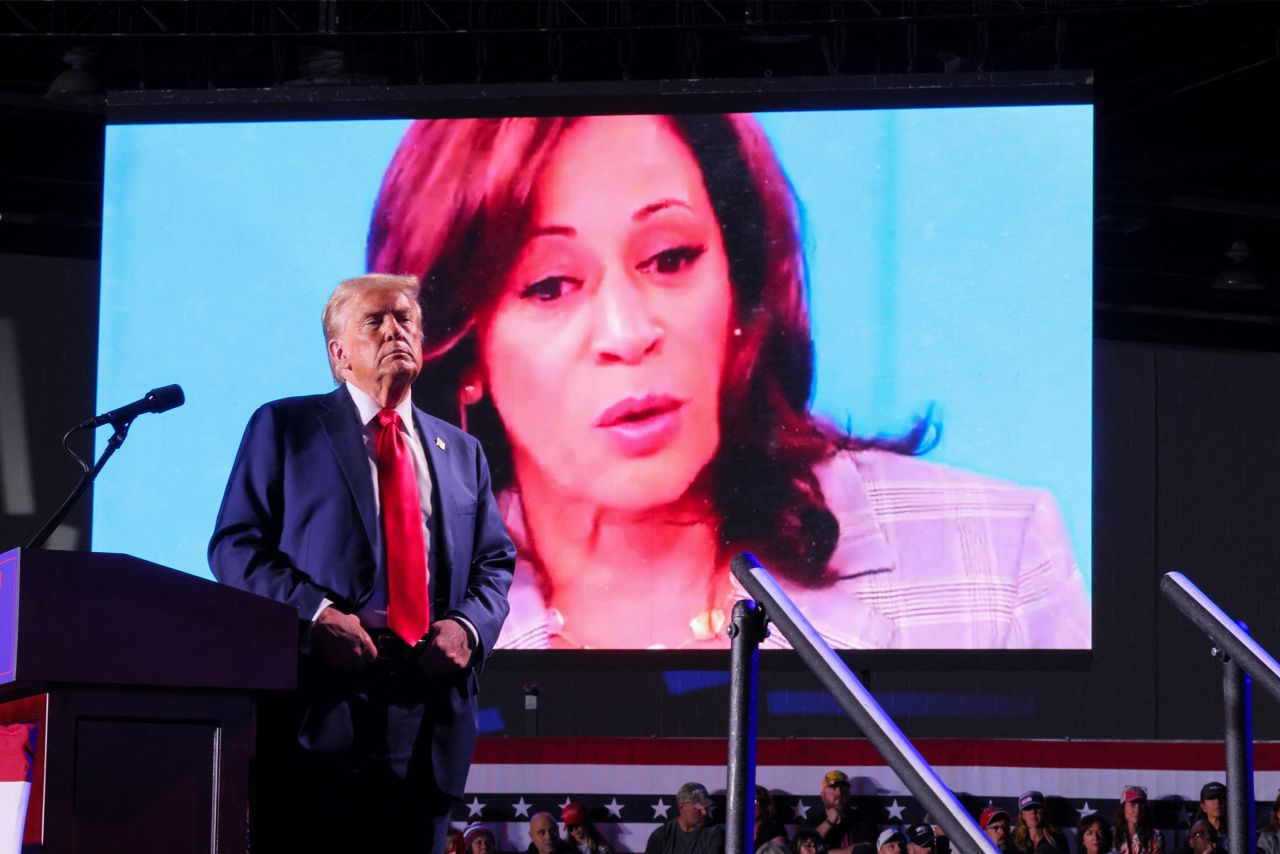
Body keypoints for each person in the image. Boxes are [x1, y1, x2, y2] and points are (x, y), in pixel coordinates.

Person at [366, 112, 1089, 651]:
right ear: (466, 358)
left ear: (739, 289)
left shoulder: (995, 555)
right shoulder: (401, 604)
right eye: (552, 285)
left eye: (671, 258)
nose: (628, 332)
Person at [209, 274, 517, 853]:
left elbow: (494, 562)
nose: (395, 331)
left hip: (428, 706)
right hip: (320, 700)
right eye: (375, 321)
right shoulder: (287, 427)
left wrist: (470, 628)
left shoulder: (462, 451)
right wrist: (314, 614)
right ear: (338, 353)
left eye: (406, 319)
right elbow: (235, 546)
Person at [801, 770, 877, 854]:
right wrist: (829, 821)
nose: (839, 793)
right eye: (833, 788)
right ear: (822, 795)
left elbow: (865, 850)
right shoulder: (811, 823)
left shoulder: (861, 821)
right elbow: (803, 849)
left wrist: (821, 852)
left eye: (843, 788)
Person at [645, 782, 725, 854]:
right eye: (698, 808)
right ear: (682, 807)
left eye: (705, 807)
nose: (704, 812)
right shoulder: (661, 835)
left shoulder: (714, 833)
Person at [1112, 785, 1164, 854]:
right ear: (1123, 807)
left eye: (1141, 805)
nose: (1137, 810)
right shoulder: (1112, 834)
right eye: (1132, 805)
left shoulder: (1155, 836)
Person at [754, 785, 789, 852]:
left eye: (754, 801)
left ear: (765, 805)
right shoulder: (736, 828)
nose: (748, 805)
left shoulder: (775, 829)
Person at [1194, 782, 1227, 848]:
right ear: (1203, 807)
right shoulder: (1195, 835)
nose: (1217, 801)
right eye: (1212, 798)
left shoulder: (1238, 833)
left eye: (1221, 797)